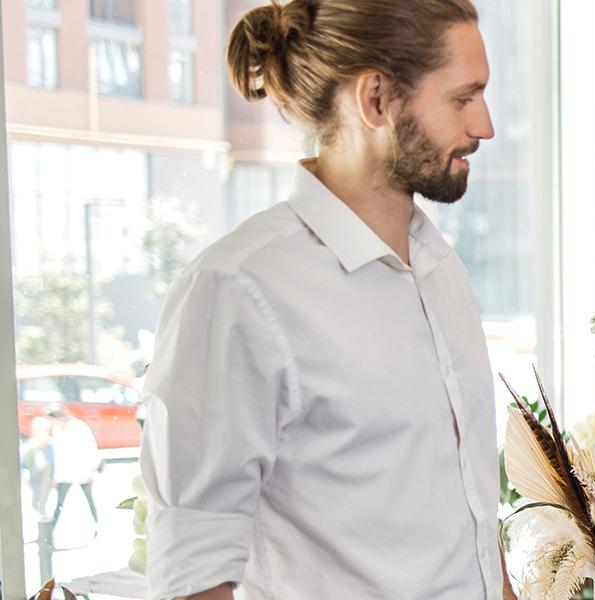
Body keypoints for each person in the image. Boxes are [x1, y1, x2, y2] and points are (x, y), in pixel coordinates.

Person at [140, 1, 513, 598]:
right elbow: (194, 575)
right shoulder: (238, 289)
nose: (484, 126)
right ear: (376, 99)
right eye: (462, 98)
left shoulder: (440, 267)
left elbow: (468, 512)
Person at [48, 406, 99, 530]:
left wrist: (92, 469)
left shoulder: (79, 427)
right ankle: (51, 529)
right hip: (64, 473)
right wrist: (55, 476)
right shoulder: (56, 429)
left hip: (82, 471)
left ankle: (96, 525)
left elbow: (90, 448)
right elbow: (57, 454)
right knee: (59, 502)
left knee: (89, 500)